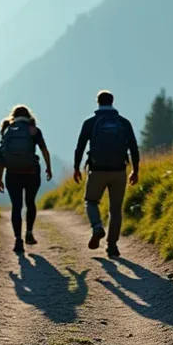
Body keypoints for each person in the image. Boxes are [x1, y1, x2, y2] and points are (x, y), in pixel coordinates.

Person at [72, 90, 139, 258]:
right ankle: (112, 246)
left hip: (97, 170)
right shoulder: (123, 122)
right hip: (119, 171)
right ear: (112, 101)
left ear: (98, 102)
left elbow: (80, 146)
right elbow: (133, 147)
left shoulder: (90, 122)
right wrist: (135, 171)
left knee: (91, 202)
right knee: (115, 209)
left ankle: (97, 227)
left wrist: (76, 168)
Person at [0, 104, 52, 252]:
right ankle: (29, 233)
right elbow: (44, 150)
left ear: (13, 116)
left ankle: (18, 240)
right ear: (28, 116)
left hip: (12, 173)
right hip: (31, 173)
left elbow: (2, 156)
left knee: (16, 206)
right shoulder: (33, 130)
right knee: (30, 202)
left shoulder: (8, 129)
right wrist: (48, 167)